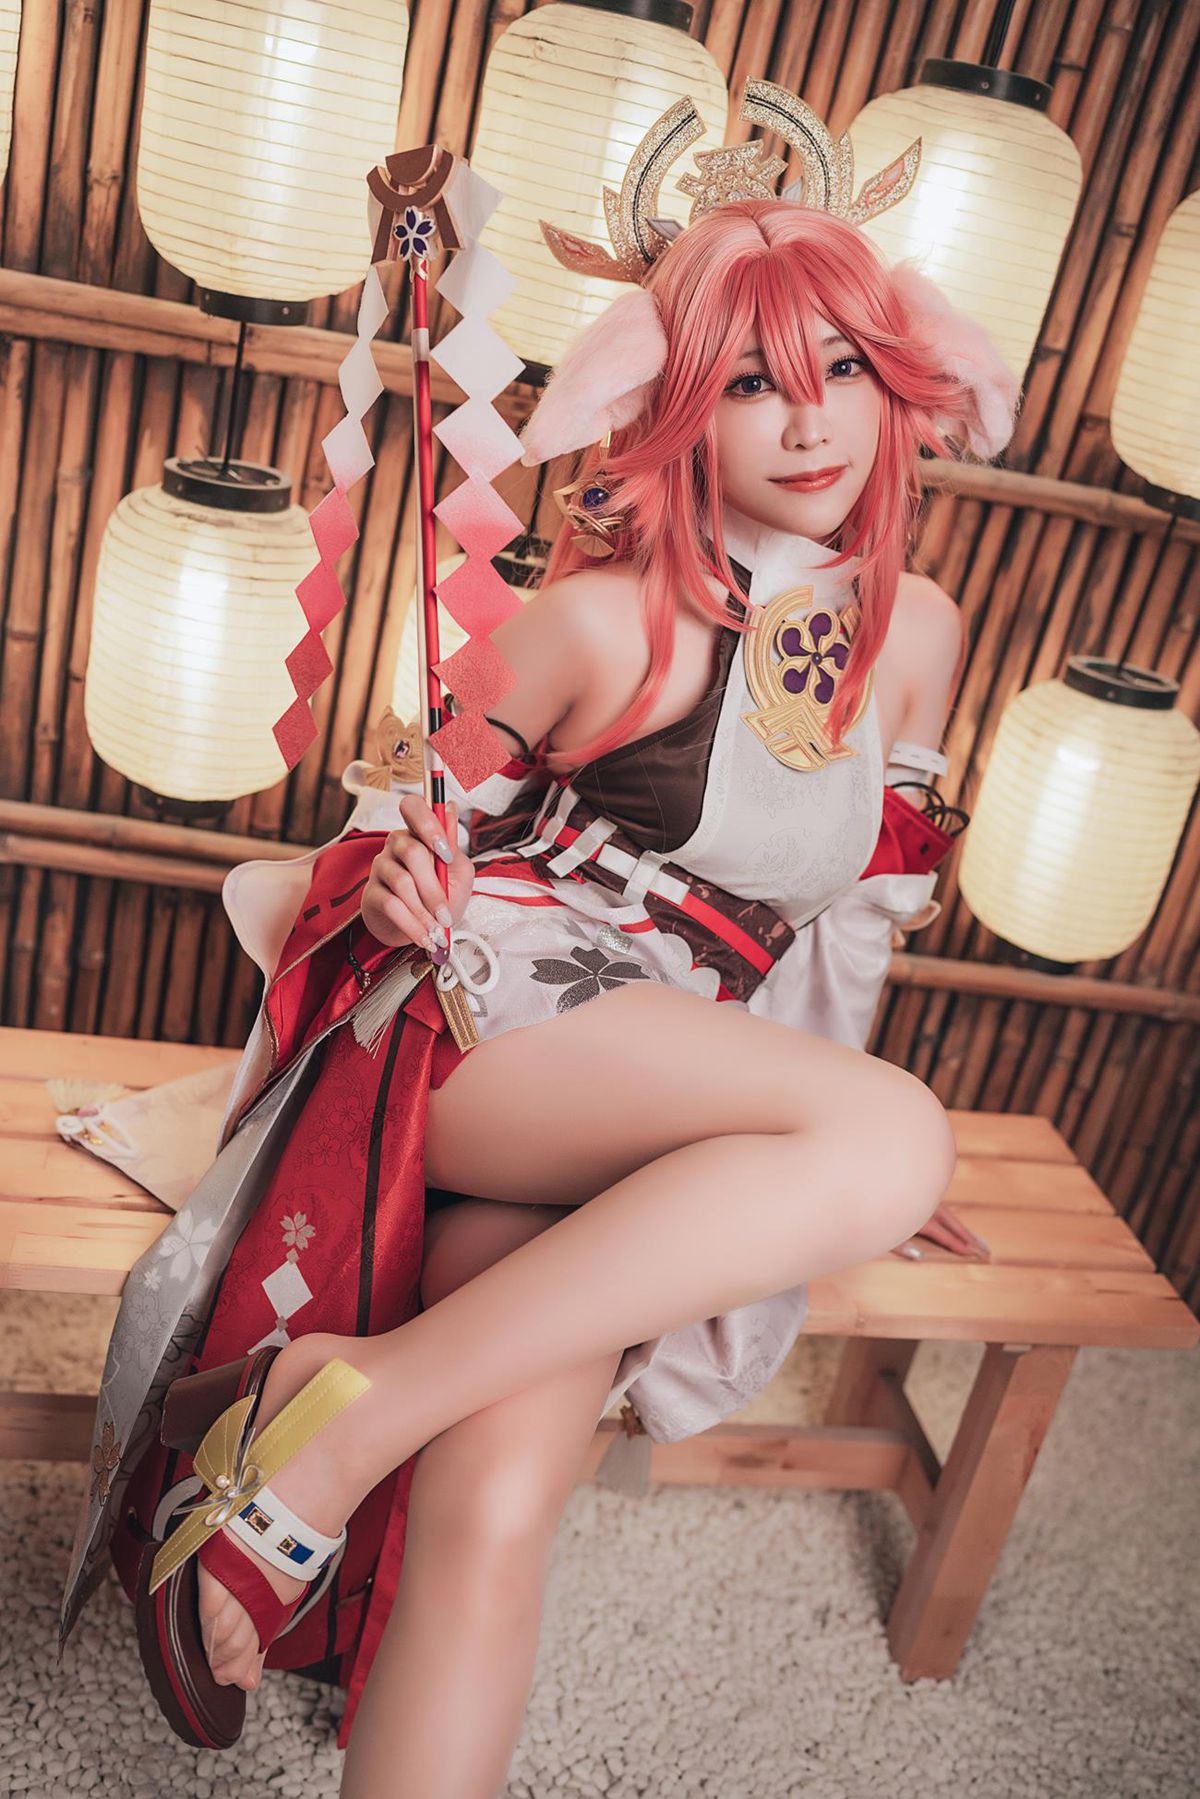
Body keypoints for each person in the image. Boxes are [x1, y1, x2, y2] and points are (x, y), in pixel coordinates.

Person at [61, 97, 1017, 1798]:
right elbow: (391, 834)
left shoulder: (920, 637)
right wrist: (399, 881)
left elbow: (845, 934)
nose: (810, 421)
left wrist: (821, 1146)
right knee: (888, 1136)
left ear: (899, 381)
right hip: (486, 1031)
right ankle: (332, 1419)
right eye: (751, 381)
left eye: (842, 369)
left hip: (671, 1091)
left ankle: (327, 1422)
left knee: (498, 1497)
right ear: (672, 404)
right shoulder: (590, 620)